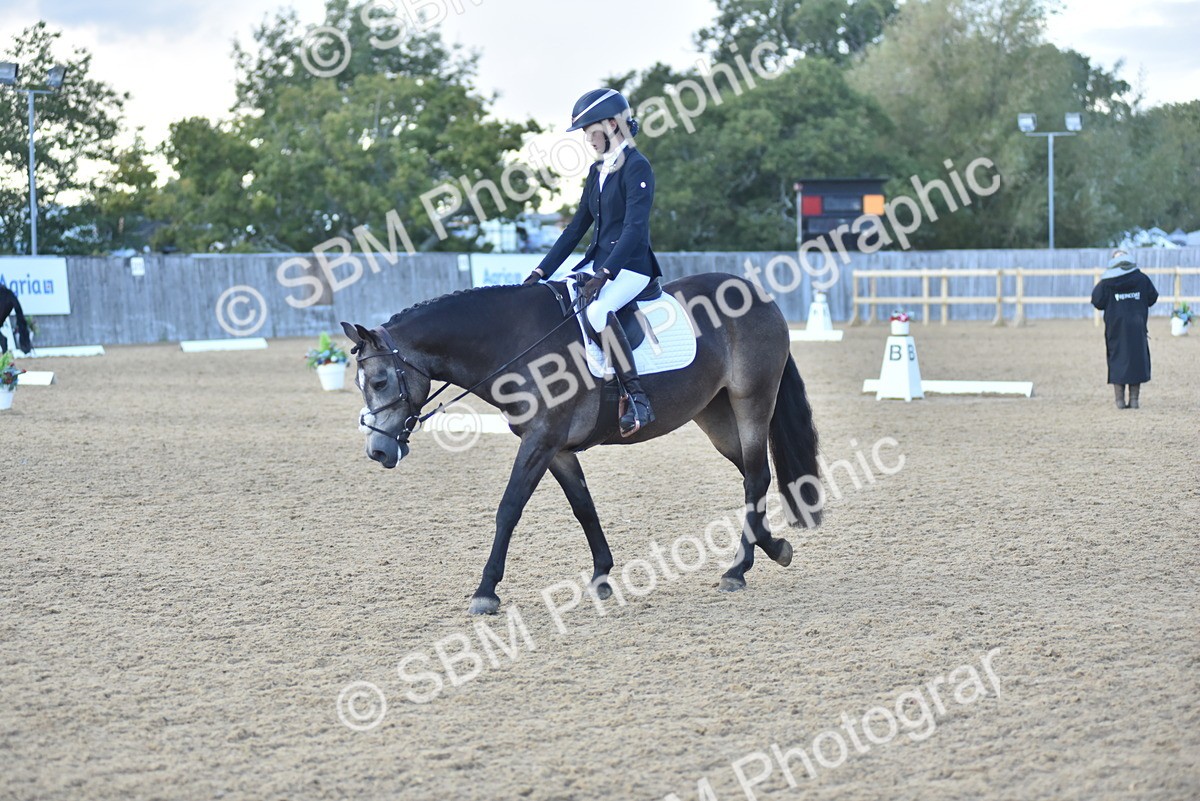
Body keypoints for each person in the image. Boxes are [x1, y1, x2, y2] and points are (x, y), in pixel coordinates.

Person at [523, 88, 662, 436]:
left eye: (591, 130)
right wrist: (540, 272)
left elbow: (634, 230)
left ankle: (637, 399)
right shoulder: (598, 169)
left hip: (631, 266)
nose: (587, 139)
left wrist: (604, 274)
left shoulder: (637, 166)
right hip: (600, 263)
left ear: (613, 124)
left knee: (599, 312)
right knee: (559, 299)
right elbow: (575, 229)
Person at [1090, 250, 1158, 409]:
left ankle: (1119, 401)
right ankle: (1134, 400)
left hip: (1115, 326)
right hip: (1137, 323)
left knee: (1117, 357)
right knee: (1136, 358)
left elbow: (1097, 301)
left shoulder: (1107, 281)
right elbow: (1152, 298)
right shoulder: (1141, 278)